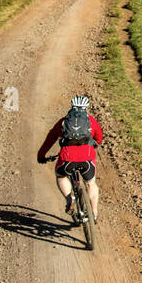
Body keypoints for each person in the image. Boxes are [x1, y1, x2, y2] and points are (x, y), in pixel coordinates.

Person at [36, 95, 105, 223]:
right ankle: (94, 213)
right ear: (86, 108)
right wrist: (93, 146)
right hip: (87, 158)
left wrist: (41, 155)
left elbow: (50, 139)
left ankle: (70, 200)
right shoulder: (91, 121)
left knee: (61, 176)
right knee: (91, 183)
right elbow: (99, 138)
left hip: (67, 159)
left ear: (72, 107)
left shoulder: (63, 122)